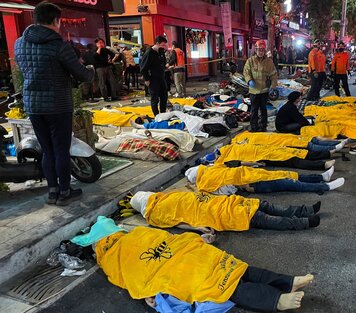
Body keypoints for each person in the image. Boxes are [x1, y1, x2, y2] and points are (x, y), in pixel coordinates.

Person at [72, 216, 313, 312]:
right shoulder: (120, 246)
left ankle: (286, 285)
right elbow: (127, 274)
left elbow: (162, 239)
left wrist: (188, 241)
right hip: (173, 263)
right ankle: (278, 295)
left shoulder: (126, 242)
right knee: (228, 277)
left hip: (179, 256)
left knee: (229, 275)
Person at [14, 1, 94, 205]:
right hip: (57, 105)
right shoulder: (59, 46)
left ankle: (52, 191)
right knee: (61, 149)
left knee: (47, 150)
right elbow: (83, 75)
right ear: (56, 20)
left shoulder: (19, 43)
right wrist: (90, 70)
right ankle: (65, 192)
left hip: (33, 105)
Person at [131, 190, 321, 231]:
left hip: (222, 205)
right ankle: (303, 219)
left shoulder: (163, 198)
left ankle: (304, 212)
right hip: (221, 211)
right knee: (262, 214)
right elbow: (178, 222)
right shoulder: (156, 213)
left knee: (264, 210)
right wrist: (198, 229)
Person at [185, 164, 345, 195]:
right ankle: (324, 186)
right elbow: (228, 191)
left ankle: (322, 177)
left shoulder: (212, 170)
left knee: (289, 175)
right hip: (255, 183)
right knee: (291, 183)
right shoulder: (207, 183)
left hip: (256, 176)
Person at [215, 143, 335, 171]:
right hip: (265, 155)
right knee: (293, 160)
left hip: (266, 150)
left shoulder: (229, 148)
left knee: (294, 153)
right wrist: (259, 164)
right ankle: (323, 164)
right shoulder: (225, 160)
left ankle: (325, 155)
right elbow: (241, 163)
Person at [243, 40, 278, 132]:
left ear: (264, 51)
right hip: (253, 91)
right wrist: (249, 80)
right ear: (256, 50)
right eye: (259, 50)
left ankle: (263, 127)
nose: (261, 52)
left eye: (262, 50)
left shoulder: (269, 62)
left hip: (264, 90)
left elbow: (274, 75)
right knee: (254, 110)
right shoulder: (250, 61)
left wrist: (273, 87)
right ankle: (254, 127)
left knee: (263, 109)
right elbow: (246, 72)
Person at [140, 35, 169, 116]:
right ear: (157, 43)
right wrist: (146, 79)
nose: (164, 47)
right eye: (162, 45)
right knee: (155, 98)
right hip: (153, 79)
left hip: (161, 78)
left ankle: (163, 114)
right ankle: (156, 115)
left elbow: (163, 62)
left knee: (164, 96)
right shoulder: (149, 53)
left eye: (165, 45)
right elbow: (143, 68)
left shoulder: (161, 52)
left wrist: (165, 66)